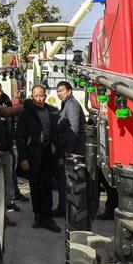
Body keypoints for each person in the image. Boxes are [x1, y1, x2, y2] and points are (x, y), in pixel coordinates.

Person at [16, 84, 62, 233]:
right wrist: (23, 158)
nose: (39, 98)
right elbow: (20, 138)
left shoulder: (52, 112)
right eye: (36, 95)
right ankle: (38, 215)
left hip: (48, 154)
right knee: (35, 186)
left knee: (48, 186)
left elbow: (57, 136)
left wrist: (60, 154)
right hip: (32, 155)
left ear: (45, 95)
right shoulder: (25, 113)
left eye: (41, 95)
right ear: (32, 95)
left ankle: (47, 217)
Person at [0, 80, 24, 216]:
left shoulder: (6, 100)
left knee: (8, 176)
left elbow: (8, 115)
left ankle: (8, 202)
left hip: (6, 146)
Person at [52, 81, 85, 217]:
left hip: (72, 150)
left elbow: (74, 128)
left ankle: (65, 210)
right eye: (58, 91)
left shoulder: (71, 105)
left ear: (69, 91)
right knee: (63, 181)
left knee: (66, 182)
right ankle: (62, 208)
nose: (60, 93)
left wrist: (68, 151)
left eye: (62, 91)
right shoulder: (66, 104)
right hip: (66, 149)